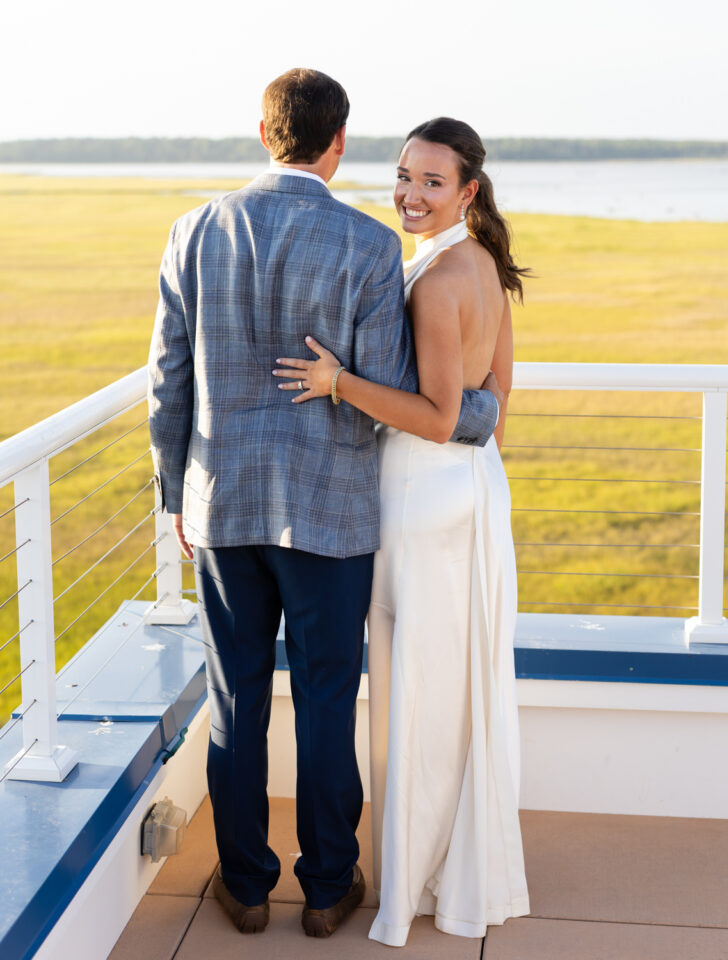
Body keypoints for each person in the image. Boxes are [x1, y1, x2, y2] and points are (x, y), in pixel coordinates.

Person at [147, 73, 500, 940]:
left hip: (221, 507)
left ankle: (246, 885)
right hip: (333, 514)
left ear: (263, 133)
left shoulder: (193, 230)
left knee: (237, 702)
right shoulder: (369, 244)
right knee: (327, 700)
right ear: (338, 141)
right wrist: (483, 412)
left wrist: (176, 500)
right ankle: (330, 886)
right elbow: (390, 386)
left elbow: (168, 384)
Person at [273, 117, 531, 945]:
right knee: (454, 693)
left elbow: (439, 414)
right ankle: (449, 863)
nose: (410, 195)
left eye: (430, 182)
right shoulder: (485, 266)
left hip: (423, 507)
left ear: (467, 191)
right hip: (474, 493)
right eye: (404, 177)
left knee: (416, 697)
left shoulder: (435, 281)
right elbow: (495, 409)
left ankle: (419, 878)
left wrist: (338, 381)